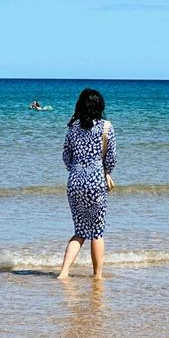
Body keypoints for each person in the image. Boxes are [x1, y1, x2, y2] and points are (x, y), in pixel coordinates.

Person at [58, 88, 117, 280]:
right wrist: (106, 172)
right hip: (96, 182)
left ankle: (64, 273)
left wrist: (76, 171)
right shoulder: (106, 127)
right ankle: (97, 276)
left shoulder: (72, 127)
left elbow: (66, 156)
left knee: (80, 231)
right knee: (97, 231)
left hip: (74, 182)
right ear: (100, 106)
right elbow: (111, 157)